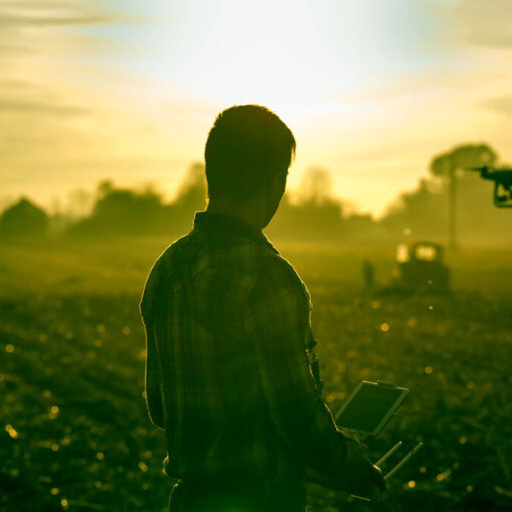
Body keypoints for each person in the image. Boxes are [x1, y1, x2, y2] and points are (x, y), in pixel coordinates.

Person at [140, 105, 385, 512]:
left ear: (212, 173)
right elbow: (295, 413)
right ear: (276, 183)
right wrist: (344, 459)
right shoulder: (267, 278)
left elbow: (161, 408)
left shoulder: (167, 268)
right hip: (262, 500)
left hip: (189, 500)